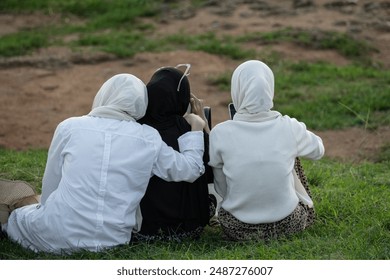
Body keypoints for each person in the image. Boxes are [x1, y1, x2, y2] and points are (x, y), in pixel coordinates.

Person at [0, 73, 207, 253]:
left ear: (104, 95)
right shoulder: (148, 137)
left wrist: (43, 211)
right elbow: (191, 169)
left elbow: (51, 185)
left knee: (18, 213)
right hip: (113, 240)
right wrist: (197, 127)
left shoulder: (70, 127)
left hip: (54, 235)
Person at [208, 60, 325, 241]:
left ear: (237, 89)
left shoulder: (220, 133)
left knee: (223, 163)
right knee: (292, 154)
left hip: (238, 229)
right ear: (270, 89)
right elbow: (318, 150)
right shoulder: (288, 126)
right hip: (290, 225)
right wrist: (294, 132)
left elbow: (221, 187)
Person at [133, 64, 214, 242]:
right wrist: (203, 123)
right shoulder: (190, 127)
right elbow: (212, 169)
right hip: (190, 228)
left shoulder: (136, 130)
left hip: (145, 229)